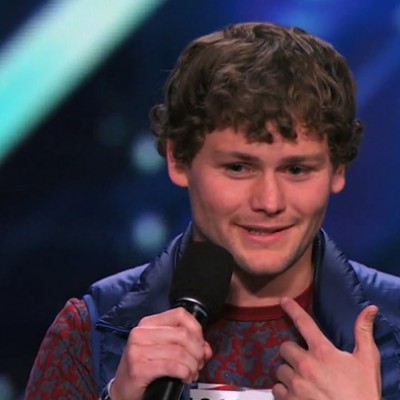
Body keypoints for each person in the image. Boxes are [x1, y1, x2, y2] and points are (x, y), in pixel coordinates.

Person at [25, 21, 400, 400]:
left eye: (297, 170)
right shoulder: (89, 335)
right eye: (238, 167)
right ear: (179, 159)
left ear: (338, 170)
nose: (269, 202)